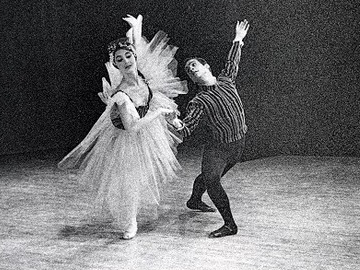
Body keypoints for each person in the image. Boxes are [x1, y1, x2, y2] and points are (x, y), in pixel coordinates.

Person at [58, 15, 187, 240]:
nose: (126, 61)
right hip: (127, 138)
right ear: (115, 64)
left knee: (142, 178)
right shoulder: (120, 94)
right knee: (128, 183)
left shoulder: (143, 75)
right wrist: (158, 114)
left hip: (148, 131)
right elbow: (132, 126)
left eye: (129, 56)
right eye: (120, 59)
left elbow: (154, 89)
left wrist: (136, 29)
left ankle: (131, 217)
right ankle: (130, 222)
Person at [171, 19, 250, 238]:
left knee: (207, 177)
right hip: (219, 148)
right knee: (213, 179)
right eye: (188, 70)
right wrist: (176, 122)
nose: (191, 70)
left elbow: (233, 61)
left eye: (194, 65)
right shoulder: (199, 101)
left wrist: (238, 39)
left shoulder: (227, 80)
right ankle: (230, 225)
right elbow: (186, 129)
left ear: (206, 67)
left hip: (238, 145)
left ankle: (194, 200)